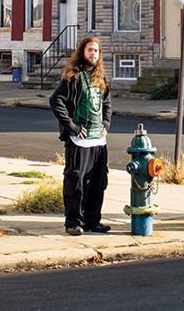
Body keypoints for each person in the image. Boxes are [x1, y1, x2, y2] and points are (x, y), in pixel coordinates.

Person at [50, 36, 112, 236]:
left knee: (97, 182)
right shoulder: (73, 77)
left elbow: (107, 103)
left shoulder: (100, 77)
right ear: (82, 53)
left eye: (95, 51)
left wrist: (106, 125)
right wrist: (72, 126)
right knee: (76, 181)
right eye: (89, 50)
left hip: (98, 139)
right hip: (79, 139)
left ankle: (93, 221)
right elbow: (56, 101)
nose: (92, 54)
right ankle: (73, 222)